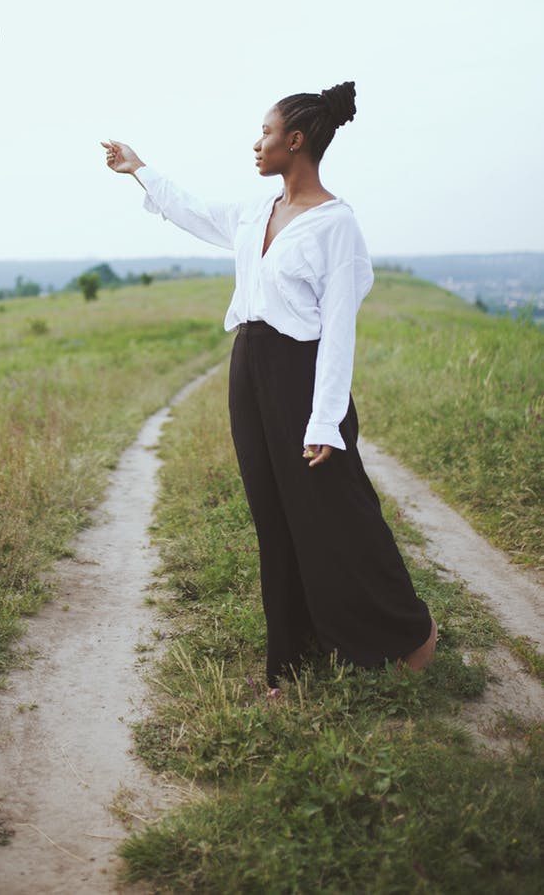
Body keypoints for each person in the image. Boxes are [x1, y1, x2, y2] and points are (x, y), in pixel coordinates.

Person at [102, 81, 436, 696]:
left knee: (339, 510)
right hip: (249, 369)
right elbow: (196, 212)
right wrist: (138, 169)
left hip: (304, 377)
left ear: (297, 140)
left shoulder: (336, 226)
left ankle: (409, 634)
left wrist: (325, 419)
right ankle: (294, 655)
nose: (256, 143)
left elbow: (338, 330)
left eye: (265, 132)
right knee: (274, 515)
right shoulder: (257, 213)